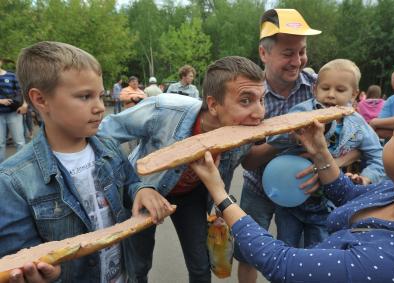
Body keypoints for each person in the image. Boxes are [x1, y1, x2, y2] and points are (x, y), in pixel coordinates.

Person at [190, 95, 394, 282]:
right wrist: (320, 151)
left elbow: (281, 263)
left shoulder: (391, 261)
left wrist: (220, 193)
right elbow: (348, 194)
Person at [0, 41, 173, 282]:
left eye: (100, 96)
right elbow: (17, 257)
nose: (100, 107)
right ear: (40, 99)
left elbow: (129, 184)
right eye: (85, 97)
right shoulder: (12, 181)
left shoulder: (110, 148)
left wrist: (142, 189)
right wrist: (43, 273)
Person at [98, 56, 265, 283]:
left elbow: (248, 161)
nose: (259, 113)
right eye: (246, 101)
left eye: (261, 100)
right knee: (138, 265)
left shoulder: (245, 130)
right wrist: (134, 185)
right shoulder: (163, 109)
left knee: (200, 265)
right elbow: (102, 135)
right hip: (145, 191)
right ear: (213, 104)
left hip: (192, 195)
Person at [234, 9, 333, 282]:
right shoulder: (249, 97)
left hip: (306, 189)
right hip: (257, 188)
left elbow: (352, 139)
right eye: (288, 53)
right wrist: (286, 137)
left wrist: (322, 169)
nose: (297, 61)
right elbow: (249, 160)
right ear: (264, 54)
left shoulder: (319, 88)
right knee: (248, 252)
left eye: (301, 52)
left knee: (300, 256)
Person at [271, 59, 384, 184]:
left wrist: (367, 177)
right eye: (325, 88)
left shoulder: (358, 122)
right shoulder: (303, 111)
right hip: (296, 181)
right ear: (315, 89)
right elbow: (273, 138)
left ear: (353, 94)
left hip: (333, 189)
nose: (331, 94)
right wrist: (294, 136)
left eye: (340, 90)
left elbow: (378, 156)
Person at [0, 58, 26, 163]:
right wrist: (0, 101)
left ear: (1, 62)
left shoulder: (11, 75)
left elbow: (23, 91)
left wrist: (25, 104)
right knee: (0, 143)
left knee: (19, 142)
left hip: (14, 113)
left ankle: (22, 166)